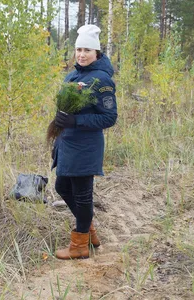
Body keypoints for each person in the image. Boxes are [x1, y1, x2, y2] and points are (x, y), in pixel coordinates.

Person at [51, 25, 118, 260]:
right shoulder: (74, 75)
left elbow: (110, 117)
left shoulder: (102, 80)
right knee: (61, 187)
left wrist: (76, 120)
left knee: (81, 194)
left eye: (87, 50)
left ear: (97, 53)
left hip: (86, 147)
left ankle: (79, 245)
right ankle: (88, 229)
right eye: (78, 49)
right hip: (68, 143)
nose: (81, 54)